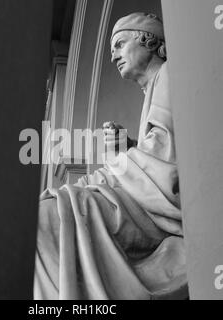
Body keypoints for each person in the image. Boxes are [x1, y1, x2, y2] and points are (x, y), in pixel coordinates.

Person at [34, 12, 187, 300]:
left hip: (157, 212)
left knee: (46, 218)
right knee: (49, 215)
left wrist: (110, 169)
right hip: (146, 203)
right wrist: (124, 148)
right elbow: (161, 153)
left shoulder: (170, 75)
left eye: (119, 43)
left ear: (149, 41)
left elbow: (170, 165)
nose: (114, 55)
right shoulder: (153, 88)